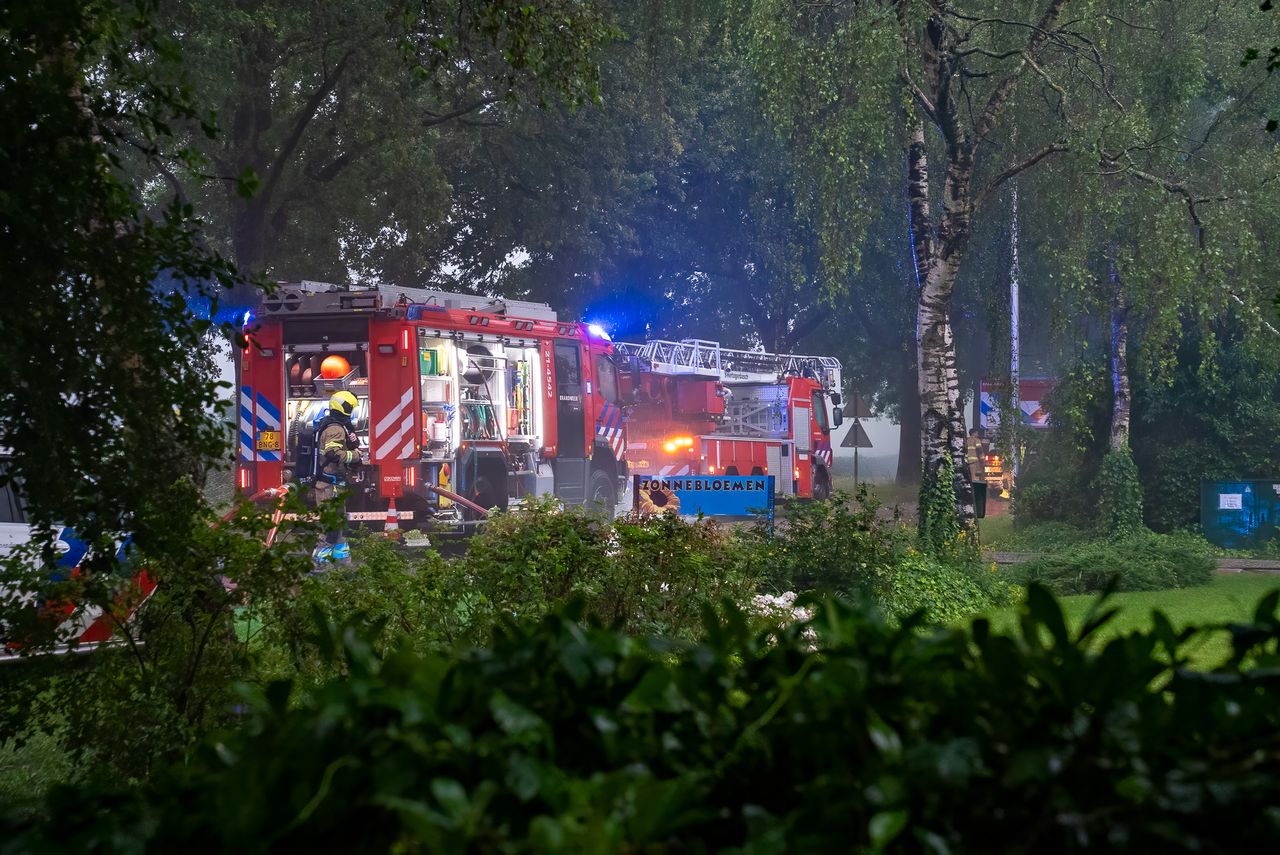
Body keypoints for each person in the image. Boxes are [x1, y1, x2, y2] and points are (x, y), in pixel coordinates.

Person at [313, 390, 362, 563]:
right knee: (330, 528)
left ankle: (343, 564)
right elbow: (333, 454)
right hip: (328, 486)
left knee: (340, 526)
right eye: (350, 408)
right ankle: (319, 565)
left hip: (333, 485)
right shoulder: (335, 428)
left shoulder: (336, 425)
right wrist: (355, 456)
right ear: (344, 408)